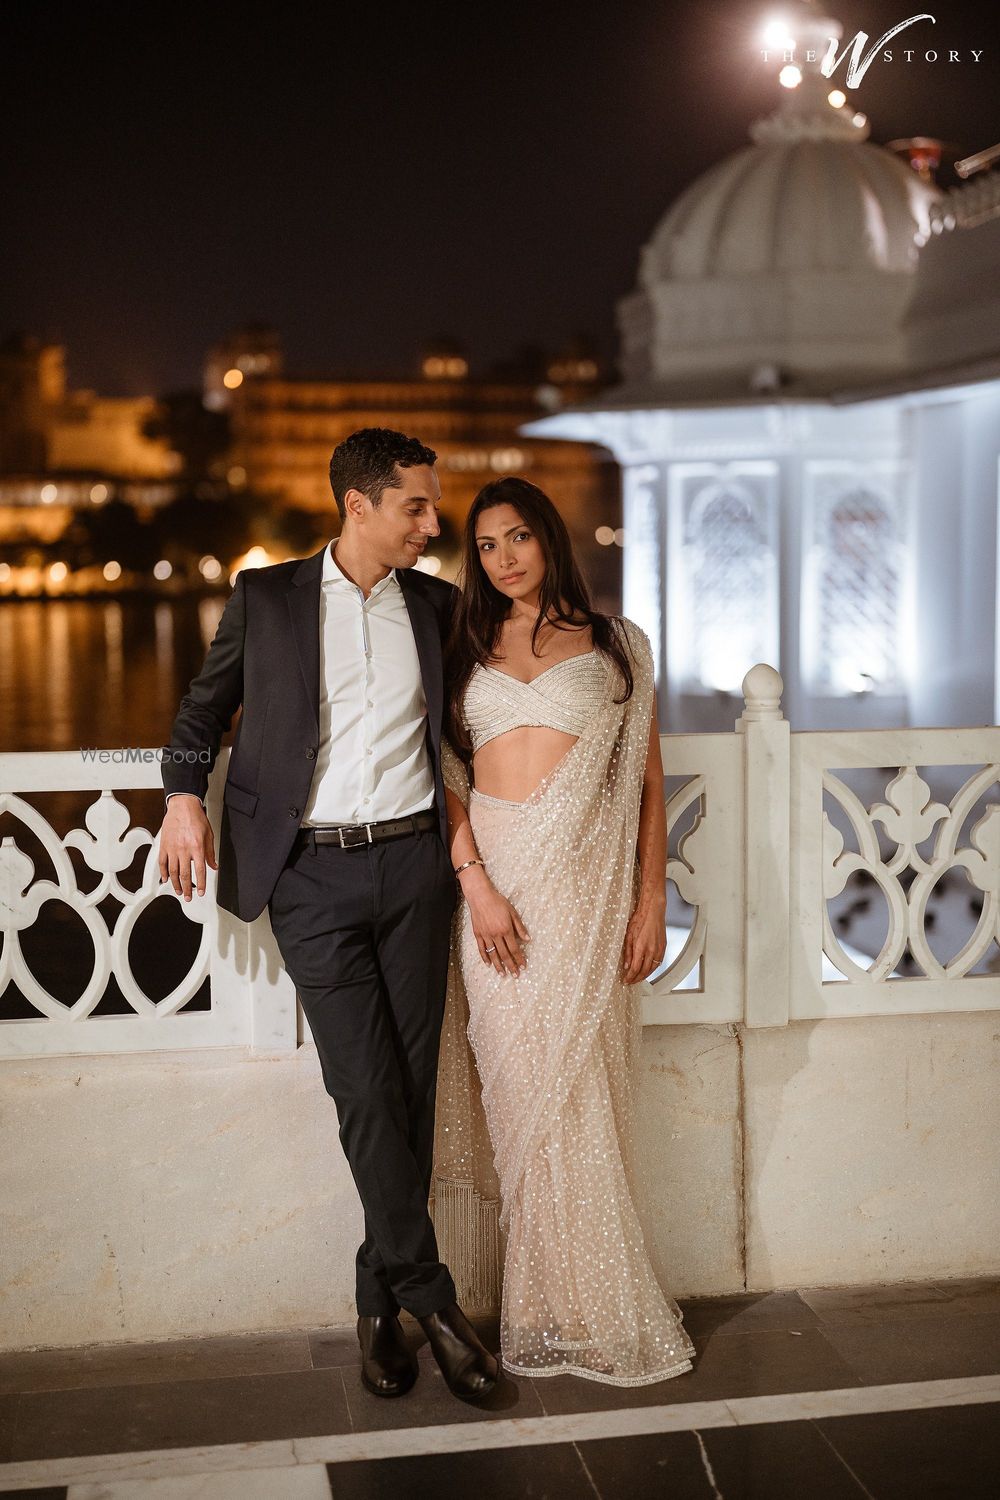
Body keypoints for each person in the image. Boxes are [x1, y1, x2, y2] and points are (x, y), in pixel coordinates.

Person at [158, 427, 498, 1402]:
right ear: (359, 505)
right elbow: (200, 711)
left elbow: (497, 709)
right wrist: (186, 795)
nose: (435, 525)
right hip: (308, 878)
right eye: (416, 507)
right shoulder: (266, 599)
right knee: (362, 1088)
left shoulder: (436, 606)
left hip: (415, 874)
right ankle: (433, 1304)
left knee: (411, 1092)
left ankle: (373, 1301)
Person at [432, 476, 696, 1385]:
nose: (504, 560)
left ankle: (593, 1309)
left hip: (584, 893)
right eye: (488, 547)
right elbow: (449, 782)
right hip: (498, 892)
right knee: (518, 1102)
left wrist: (650, 898)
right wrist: (476, 887)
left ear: (548, 538)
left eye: (518, 539)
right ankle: (541, 1307)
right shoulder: (464, 643)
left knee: (579, 1092)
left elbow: (651, 782)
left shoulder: (619, 644)